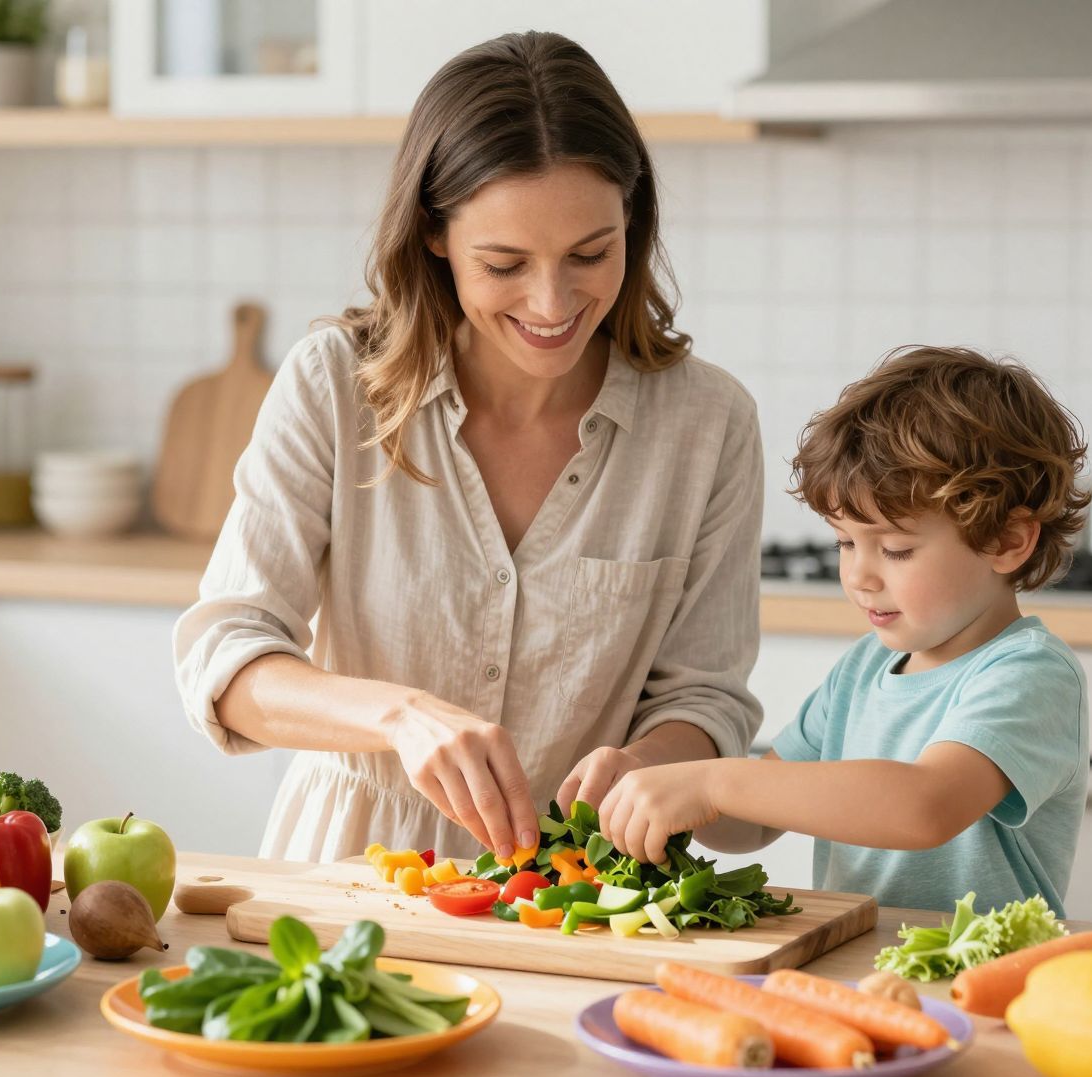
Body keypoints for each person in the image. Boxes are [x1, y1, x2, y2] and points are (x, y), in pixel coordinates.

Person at [173, 31, 763, 864]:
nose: (553, 302)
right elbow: (226, 658)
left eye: (590, 254)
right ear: (434, 236)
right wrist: (399, 717)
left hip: (578, 891)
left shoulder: (710, 425)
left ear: (632, 221)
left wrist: (642, 768)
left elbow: (706, 699)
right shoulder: (334, 385)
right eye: (506, 263)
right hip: (351, 872)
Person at [597, 346, 1092, 914]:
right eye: (846, 542)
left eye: (897, 550)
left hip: (972, 982)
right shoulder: (863, 669)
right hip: (855, 969)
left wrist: (711, 783)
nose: (858, 575)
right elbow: (747, 828)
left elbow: (924, 805)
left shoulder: (1029, 673)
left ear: (1007, 541)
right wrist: (658, 782)